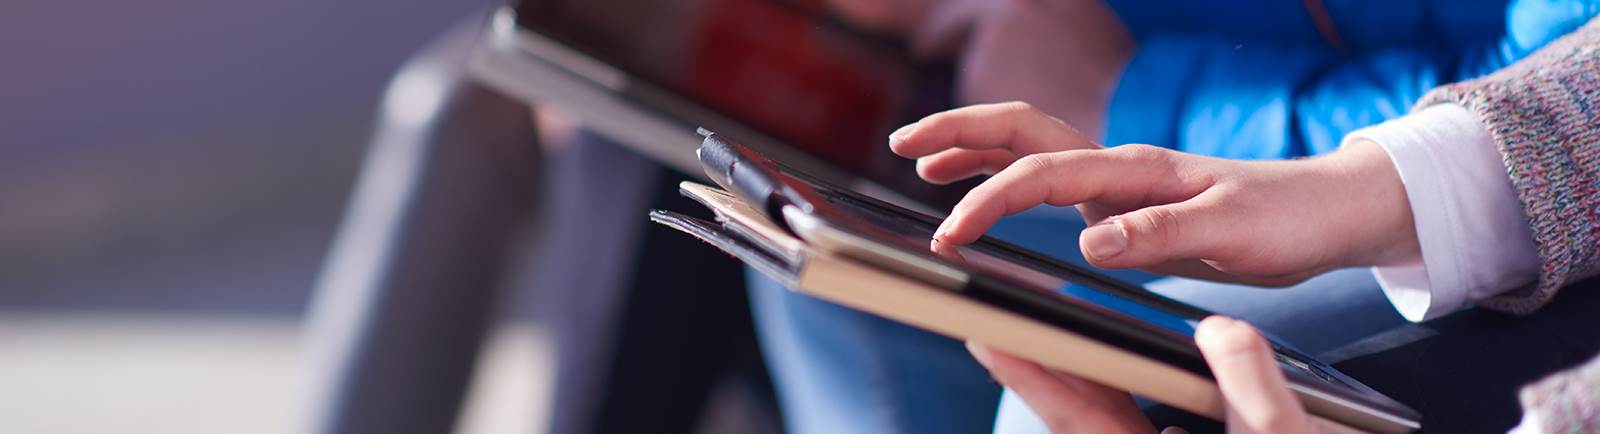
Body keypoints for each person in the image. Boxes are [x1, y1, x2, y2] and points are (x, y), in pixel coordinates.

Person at [744, 0, 1577, 433]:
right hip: (1296, 144)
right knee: (849, 269)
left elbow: (1560, 57)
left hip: (1489, 194)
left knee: (1067, 391)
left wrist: (1134, 98)